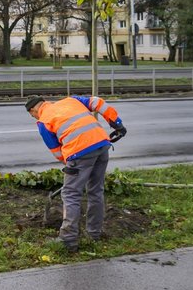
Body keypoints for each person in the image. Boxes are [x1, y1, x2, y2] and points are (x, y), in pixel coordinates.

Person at [25, 94, 126, 253]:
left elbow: (57, 152)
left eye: (32, 115)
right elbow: (97, 102)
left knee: (71, 193)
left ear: (33, 110)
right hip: (102, 144)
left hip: (79, 153)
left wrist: (72, 168)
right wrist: (117, 124)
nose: (34, 117)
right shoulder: (71, 100)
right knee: (95, 190)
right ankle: (94, 233)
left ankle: (68, 240)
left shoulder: (43, 122)